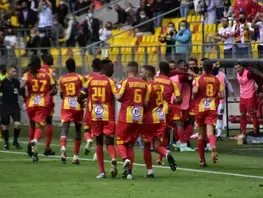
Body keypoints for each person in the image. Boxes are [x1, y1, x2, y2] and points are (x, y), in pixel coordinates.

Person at [78, 59, 117, 179]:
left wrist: (83, 104)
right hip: (108, 114)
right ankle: (113, 158)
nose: (113, 71)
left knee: (99, 142)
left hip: (95, 114)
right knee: (109, 141)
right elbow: (117, 96)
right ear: (105, 69)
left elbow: (80, 97)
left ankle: (102, 172)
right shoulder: (111, 81)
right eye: (112, 68)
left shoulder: (90, 81)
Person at [140, 65, 177, 178]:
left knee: (146, 145)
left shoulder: (147, 86)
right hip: (160, 116)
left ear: (148, 74)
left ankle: (150, 172)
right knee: (156, 145)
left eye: (142, 72)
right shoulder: (158, 85)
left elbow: (146, 103)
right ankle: (166, 154)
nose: (140, 74)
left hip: (149, 117)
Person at [21, 55, 57, 162]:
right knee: (39, 126)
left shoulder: (26, 74)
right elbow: (54, 90)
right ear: (40, 64)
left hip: (30, 103)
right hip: (42, 103)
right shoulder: (47, 74)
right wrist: (47, 94)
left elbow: (21, 87)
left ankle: (31, 149)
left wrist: (24, 97)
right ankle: (35, 141)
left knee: (32, 125)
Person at [115, 61, 148, 180]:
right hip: (138, 115)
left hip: (126, 116)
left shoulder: (124, 82)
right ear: (136, 70)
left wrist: (115, 91)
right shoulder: (144, 84)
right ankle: (129, 172)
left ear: (127, 69)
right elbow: (146, 102)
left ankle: (125, 159)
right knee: (130, 145)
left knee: (120, 142)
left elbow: (118, 97)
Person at [192, 59, 224, 167]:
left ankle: (202, 160)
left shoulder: (198, 78)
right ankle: (213, 145)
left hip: (200, 108)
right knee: (210, 131)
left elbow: (195, 91)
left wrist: (194, 93)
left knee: (201, 134)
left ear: (203, 67)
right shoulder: (217, 79)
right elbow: (222, 95)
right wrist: (213, 97)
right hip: (212, 106)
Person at [58, 58, 85, 165]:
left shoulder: (61, 79)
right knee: (78, 129)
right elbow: (84, 92)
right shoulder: (80, 77)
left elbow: (61, 95)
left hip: (66, 104)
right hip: (77, 105)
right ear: (75, 66)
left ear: (66, 67)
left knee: (65, 127)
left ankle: (63, 148)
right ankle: (75, 156)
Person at [154, 62, 181, 164]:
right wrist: (175, 101)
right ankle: (160, 157)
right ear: (169, 71)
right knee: (165, 134)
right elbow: (179, 99)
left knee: (153, 133)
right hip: (166, 109)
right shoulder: (172, 83)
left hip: (154, 109)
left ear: (159, 69)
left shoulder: (154, 80)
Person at [170, 60, 195, 151]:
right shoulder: (181, 76)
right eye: (182, 67)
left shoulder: (170, 76)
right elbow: (188, 78)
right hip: (181, 103)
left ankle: (179, 142)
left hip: (178, 102)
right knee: (183, 123)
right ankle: (183, 144)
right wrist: (193, 75)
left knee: (179, 124)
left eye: (185, 66)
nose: (184, 68)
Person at [234, 62, 259, 140]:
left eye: (238, 67)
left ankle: (256, 132)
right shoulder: (237, 74)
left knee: (252, 114)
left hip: (250, 96)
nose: (237, 69)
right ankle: (243, 132)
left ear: (242, 67)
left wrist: (259, 89)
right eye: (236, 68)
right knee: (242, 114)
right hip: (242, 97)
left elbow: (258, 78)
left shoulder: (248, 74)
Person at [0, 65, 22, 150]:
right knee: (5, 126)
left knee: (17, 124)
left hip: (15, 106)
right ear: (8, 72)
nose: (15, 73)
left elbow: (20, 92)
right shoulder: (3, 82)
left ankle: (15, 141)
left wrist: (22, 88)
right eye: (13, 71)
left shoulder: (16, 82)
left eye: (15, 72)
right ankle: (6, 143)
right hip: (5, 106)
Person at [213, 62, 236, 140]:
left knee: (220, 114)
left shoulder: (222, 75)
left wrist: (233, 95)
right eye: (214, 66)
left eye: (217, 66)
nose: (216, 67)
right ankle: (212, 133)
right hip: (211, 99)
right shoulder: (209, 76)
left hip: (221, 99)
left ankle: (219, 133)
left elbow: (228, 84)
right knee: (212, 115)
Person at [83, 58, 101, 155]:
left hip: (90, 107)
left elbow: (84, 92)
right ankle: (96, 153)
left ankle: (89, 139)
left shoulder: (88, 77)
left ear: (92, 66)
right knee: (99, 132)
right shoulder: (104, 77)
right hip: (102, 108)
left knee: (87, 129)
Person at [40, 53, 56, 156]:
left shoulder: (37, 69)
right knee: (49, 122)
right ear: (48, 60)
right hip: (47, 100)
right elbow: (53, 87)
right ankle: (47, 148)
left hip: (35, 100)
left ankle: (32, 145)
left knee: (34, 124)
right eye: (52, 58)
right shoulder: (51, 71)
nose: (53, 59)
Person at [0, 64, 6, 138]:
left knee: (4, 116)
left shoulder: (7, 75)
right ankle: (1, 133)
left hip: (5, 97)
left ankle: (3, 132)